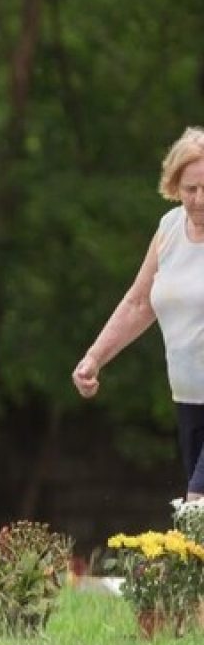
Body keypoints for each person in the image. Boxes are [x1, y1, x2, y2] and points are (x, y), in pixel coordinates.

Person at [72, 126, 204, 501]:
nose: (197, 200)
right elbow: (139, 303)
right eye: (189, 189)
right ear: (174, 186)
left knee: (197, 511)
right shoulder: (169, 229)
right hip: (189, 400)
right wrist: (94, 358)